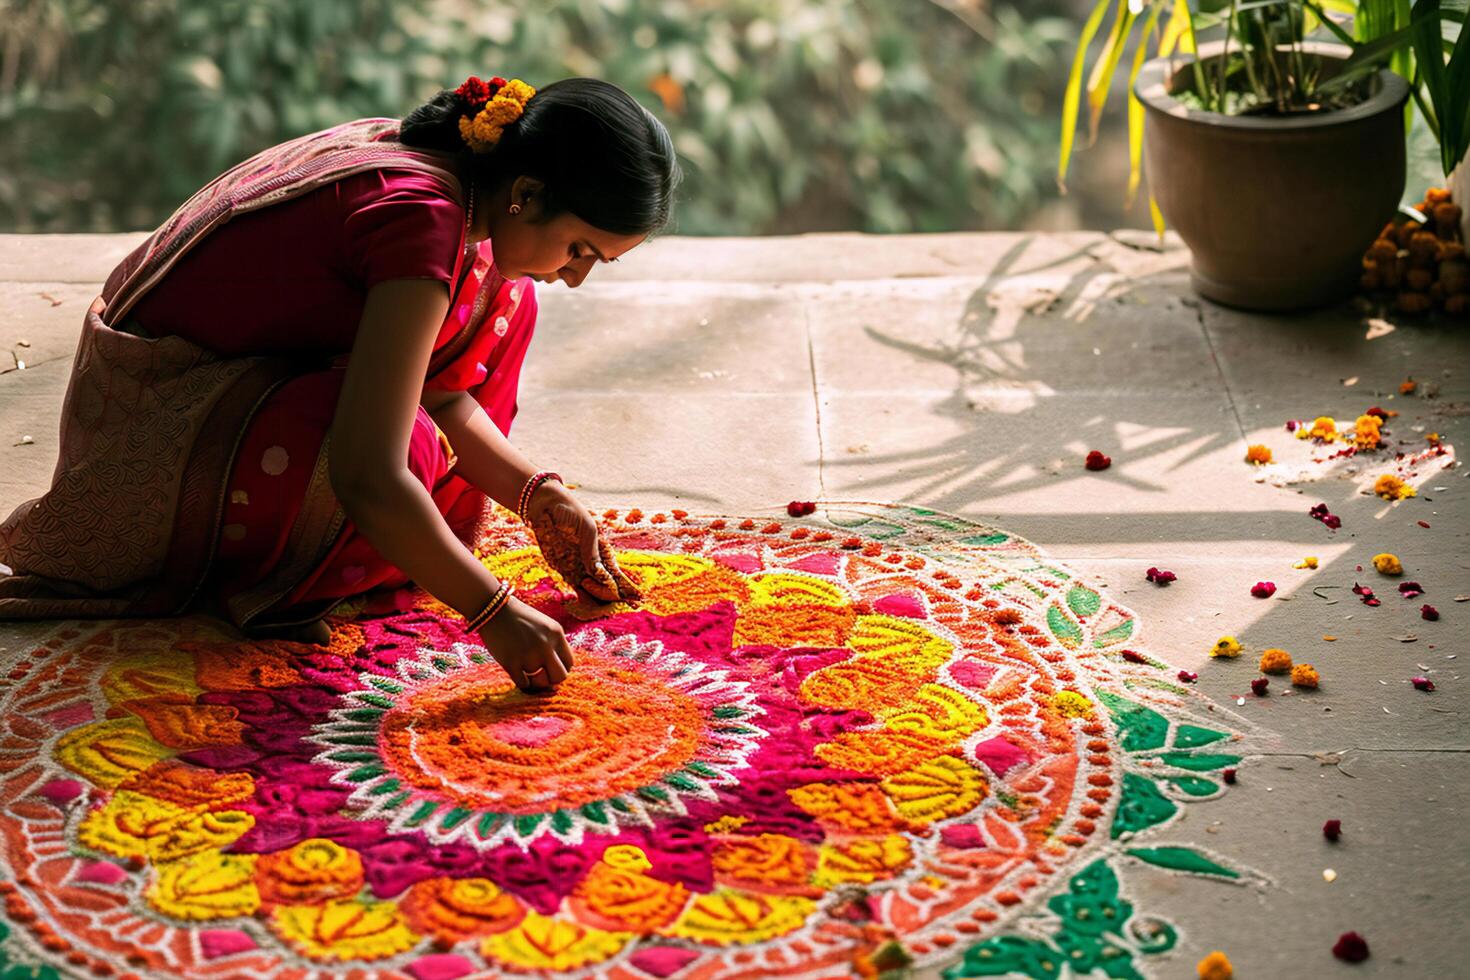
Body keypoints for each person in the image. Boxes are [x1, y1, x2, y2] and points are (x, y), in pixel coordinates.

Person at [0, 75, 682, 693]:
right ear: (526, 193)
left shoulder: (457, 178)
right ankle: (272, 573)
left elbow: (438, 389)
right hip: (155, 431)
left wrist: (540, 496)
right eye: (579, 251)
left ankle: (350, 546)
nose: (576, 277)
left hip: (235, 388)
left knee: (504, 302)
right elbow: (369, 474)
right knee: (405, 455)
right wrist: (494, 612)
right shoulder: (422, 221)